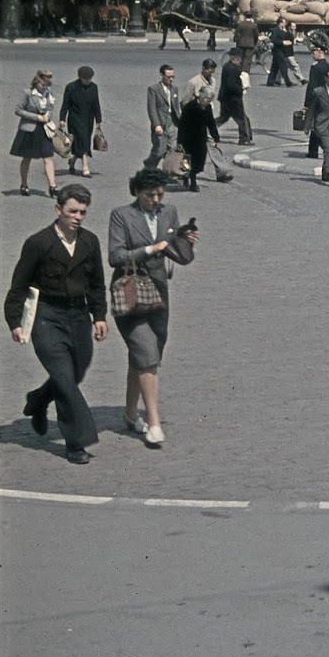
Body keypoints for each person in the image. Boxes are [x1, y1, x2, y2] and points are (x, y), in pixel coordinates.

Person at [7, 183, 109, 464]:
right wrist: (15, 322)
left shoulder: (90, 242)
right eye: (72, 211)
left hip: (78, 317)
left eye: (83, 212)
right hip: (47, 317)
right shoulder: (39, 243)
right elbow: (19, 285)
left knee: (76, 372)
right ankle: (76, 443)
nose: (77, 217)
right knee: (65, 380)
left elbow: (97, 284)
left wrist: (99, 316)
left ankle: (38, 400)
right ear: (58, 210)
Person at [109, 167, 200, 450]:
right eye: (151, 195)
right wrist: (149, 249)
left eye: (160, 194)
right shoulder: (121, 215)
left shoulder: (168, 211)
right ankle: (153, 421)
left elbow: (175, 248)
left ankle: (128, 413)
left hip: (159, 293)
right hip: (131, 292)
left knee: (145, 354)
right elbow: (115, 255)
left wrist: (185, 238)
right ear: (137, 192)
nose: (156, 200)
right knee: (147, 355)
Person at [12, 68, 60, 198]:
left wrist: (48, 116)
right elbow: (18, 110)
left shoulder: (49, 93)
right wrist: (37, 117)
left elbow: (51, 108)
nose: (44, 87)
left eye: (46, 85)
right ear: (36, 82)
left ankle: (53, 186)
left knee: (48, 157)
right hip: (29, 129)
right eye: (42, 85)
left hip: (44, 129)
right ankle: (24, 184)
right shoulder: (28, 93)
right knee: (27, 158)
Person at [177, 87, 228, 191]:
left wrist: (216, 137)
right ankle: (191, 182)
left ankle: (188, 177)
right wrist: (180, 141)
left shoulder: (208, 107)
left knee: (199, 161)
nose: (207, 102)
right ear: (200, 96)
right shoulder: (190, 107)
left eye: (209, 100)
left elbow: (211, 123)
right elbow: (182, 125)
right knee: (187, 160)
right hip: (188, 139)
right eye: (206, 99)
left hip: (201, 139)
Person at [59, 66, 103, 179]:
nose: (88, 80)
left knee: (82, 142)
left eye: (90, 78)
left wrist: (98, 120)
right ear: (80, 77)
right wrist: (62, 119)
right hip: (75, 119)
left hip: (88, 119)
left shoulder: (94, 87)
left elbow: (96, 104)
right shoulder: (71, 87)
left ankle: (72, 160)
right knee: (83, 142)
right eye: (85, 78)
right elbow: (65, 105)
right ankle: (85, 168)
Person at [143, 64, 182, 174]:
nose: (171, 79)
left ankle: (168, 171)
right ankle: (149, 164)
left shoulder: (174, 89)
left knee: (172, 149)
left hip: (172, 122)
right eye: (168, 76)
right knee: (159, 150)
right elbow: (151, 108)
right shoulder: (154, 89)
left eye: (173, 76)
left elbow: (176, 107)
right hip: (160, 122)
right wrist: (156, 124)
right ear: (162, 75)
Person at [217, 55, 253, 144]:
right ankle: (244, 139)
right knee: (242, 119)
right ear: (234, 59)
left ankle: (206, 129)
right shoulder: (231, 69)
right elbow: (231, 85)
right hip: (232, 99)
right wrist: (241, 89)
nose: (240, 61)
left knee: (223, 118)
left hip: (226, 98)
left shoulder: (228, 66)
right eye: (239, 59)